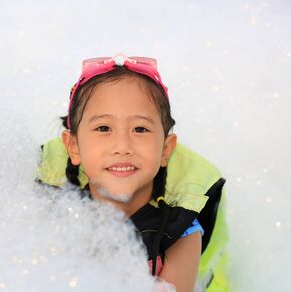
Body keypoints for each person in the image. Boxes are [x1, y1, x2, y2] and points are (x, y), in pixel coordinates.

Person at [36, 53, 229, 291]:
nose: (122, 147)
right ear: (74, 148)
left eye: (140, 129)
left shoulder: (182, 231)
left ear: (164, 150)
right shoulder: (55, 210)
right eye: (103, 128)